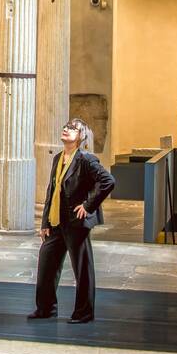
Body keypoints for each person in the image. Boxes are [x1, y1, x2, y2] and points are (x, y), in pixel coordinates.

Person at [27, 118, 115, 324]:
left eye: (72, 128)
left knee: (82, 269)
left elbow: (108, 181)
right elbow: (52, 190)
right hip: (57, 222)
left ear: (81, 136)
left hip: (76, 222)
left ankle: (84, 313)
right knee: (47, 264)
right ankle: (46, 309)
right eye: (65, 126)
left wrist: (87, 205)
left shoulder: (86, 159)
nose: (66, 129)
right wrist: (45, 223)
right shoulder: (58, 158)